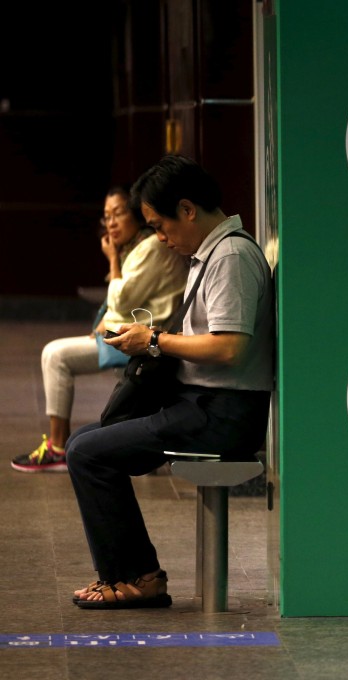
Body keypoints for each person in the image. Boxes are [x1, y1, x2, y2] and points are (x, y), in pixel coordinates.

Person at [67, 155, 274, 609]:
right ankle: (135, 573)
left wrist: (156, 338)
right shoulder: (212, 254)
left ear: (187, 209)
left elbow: (228, 347)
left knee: (87, 452)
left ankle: (138, 577)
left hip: (223, 412)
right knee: (87, 440)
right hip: (203, 402)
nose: (161, 238)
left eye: (161, 226)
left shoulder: (232, 257)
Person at [11, 187, 189, 473]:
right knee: (55, 353)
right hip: (133, 334)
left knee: (55, 355)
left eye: (118, 213)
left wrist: (112, 258)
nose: (112, 223)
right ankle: (59, 445)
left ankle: (57, 448)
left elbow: (121, 299)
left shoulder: (151, 247)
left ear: (137, 215)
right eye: (106, 217)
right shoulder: (138, 247)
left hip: (146, 341)